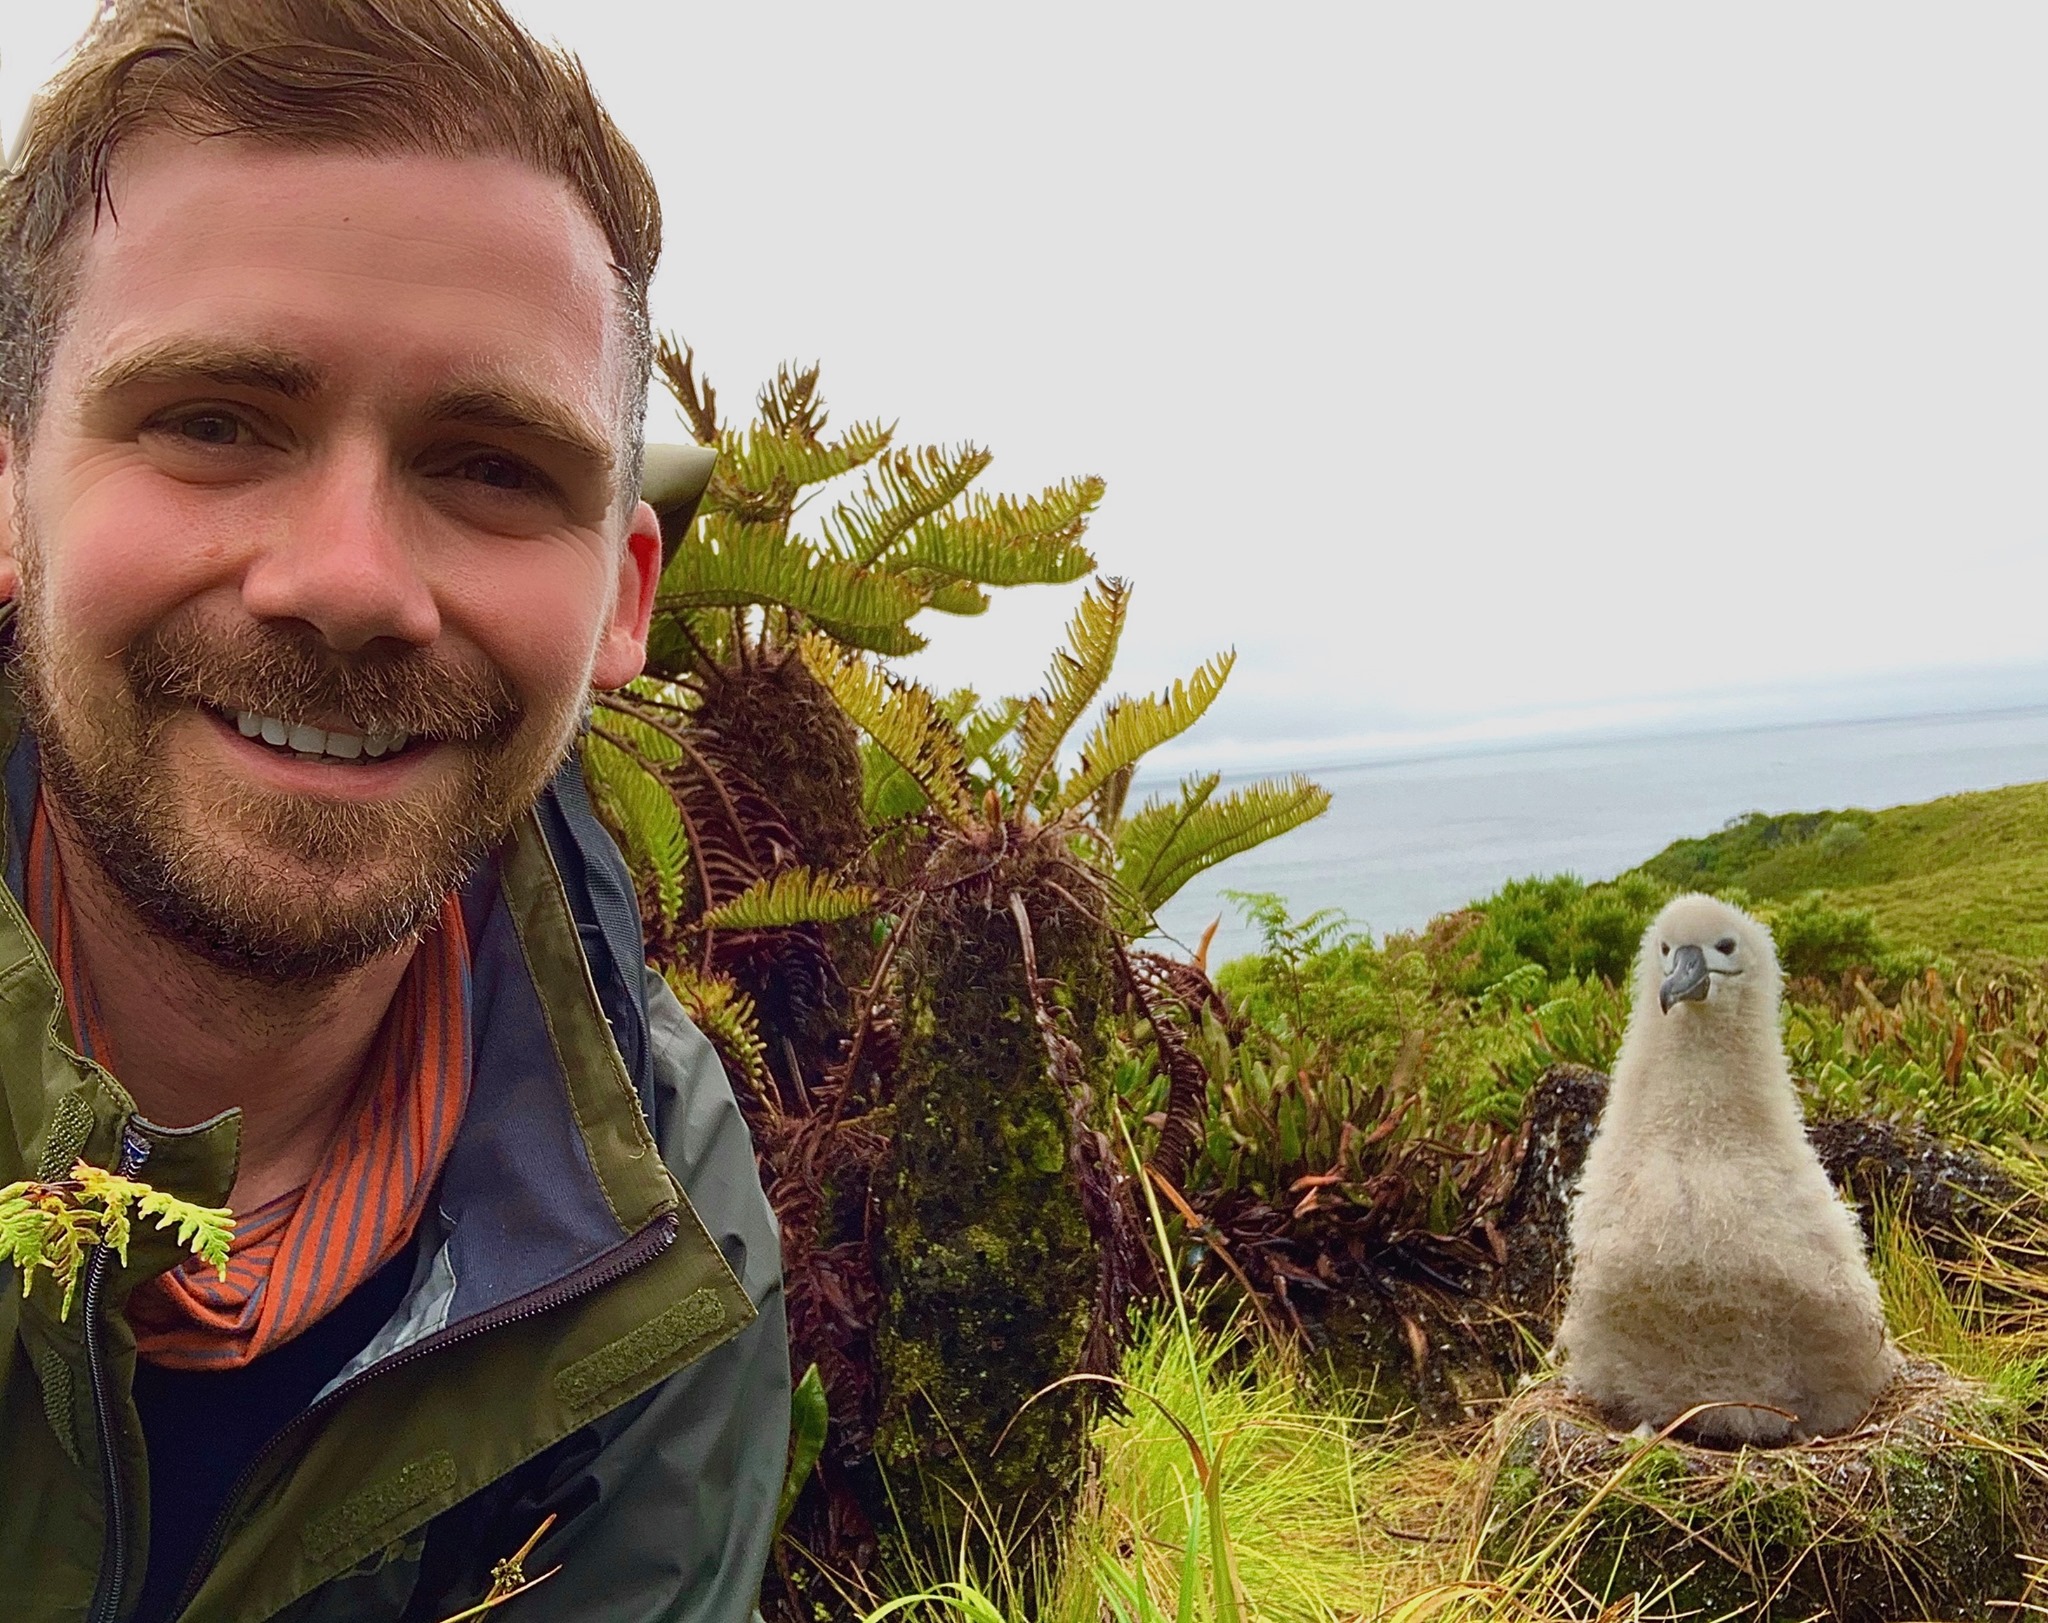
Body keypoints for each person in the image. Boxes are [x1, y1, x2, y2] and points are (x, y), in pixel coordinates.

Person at [0, 3, 789, 1620]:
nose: (352, 582)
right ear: (11, 496)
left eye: (494, 467)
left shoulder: (663, 1214)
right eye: (213, 422)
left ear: (622, 600)